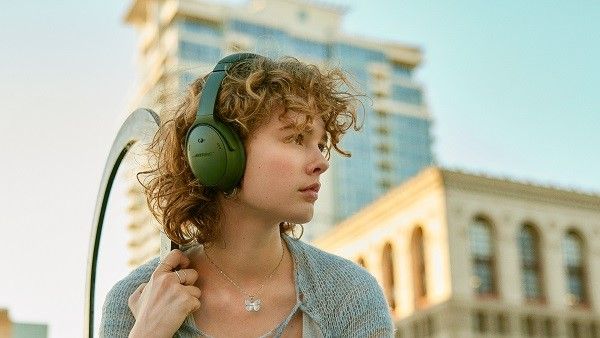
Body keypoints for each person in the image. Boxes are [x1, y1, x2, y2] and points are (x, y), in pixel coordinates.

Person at [100, 53, 394, 337]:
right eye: (296, 138)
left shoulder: (350, 295)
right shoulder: (134, 302)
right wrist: (148, 332)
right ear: (216, 153)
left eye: (320, 144)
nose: (321, 162)